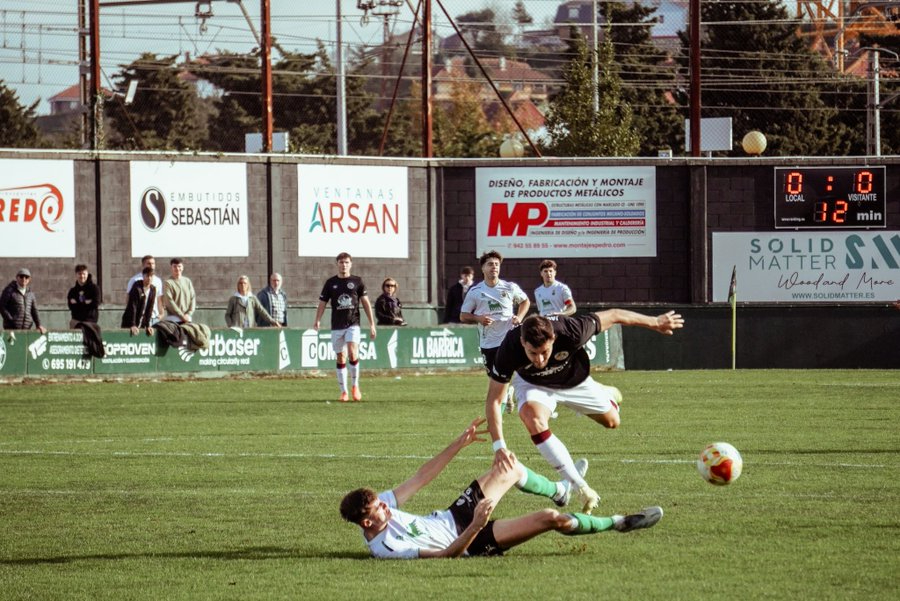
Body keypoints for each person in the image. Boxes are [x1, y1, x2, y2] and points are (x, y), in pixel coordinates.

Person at [339, 417, 663, 559]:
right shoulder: (387, 548)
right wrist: (478, 526)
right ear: (367, 522)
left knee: (508, 466)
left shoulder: (379, 506)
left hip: (453, 516)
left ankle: (560, 489)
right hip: (469, 543)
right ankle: (618, 523)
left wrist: (459, 443)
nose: (385, 505)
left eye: (382, 502)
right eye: (379, 508)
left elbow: (421, 477)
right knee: (551, 519)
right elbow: (443, 556)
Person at [484, 309, 685, 514]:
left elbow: (615, 315)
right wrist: (499, 447)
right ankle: (579, 486)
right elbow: (494, 400)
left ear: (553, 338)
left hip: (573, 380)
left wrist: (655, 322)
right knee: (531, 417)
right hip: (534, 385)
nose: (539, 359)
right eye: (532, 353)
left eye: (545, 351)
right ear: (522, 342)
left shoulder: (572, 330)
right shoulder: (509, 348)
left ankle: (605, 393)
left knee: (612, 422)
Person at [460, 251, 529, 414]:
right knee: (495, 379)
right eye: (490, 264)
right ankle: (508, 394)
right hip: (488, 342)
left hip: (510, 339)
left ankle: (500, 415)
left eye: (497, 264)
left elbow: (525, 301)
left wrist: (519, 317)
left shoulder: (510, 287)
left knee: (514, 376)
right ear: (483, 268)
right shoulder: (475, 291)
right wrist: (479, 318)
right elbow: (463, 315)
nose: (494, 267)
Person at [314, 252, 377, 402]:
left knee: (352, 352)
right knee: (341, 356)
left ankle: (355, 386)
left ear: (351, 264)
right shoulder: (330, 283)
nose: (344, 265)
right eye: (341, 262)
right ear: (337, 264)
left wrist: (372, 324)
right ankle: (344, 392)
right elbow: (322, 303)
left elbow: (366, 303)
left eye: (347, 262)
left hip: (353, 323)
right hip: (337, 325)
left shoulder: (357, 281)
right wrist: (317, 319)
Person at [0, 268, 47, 334]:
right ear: (17, 277)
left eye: (26, 277)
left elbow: (34, 310)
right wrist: (11, 320)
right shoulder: (8, 291)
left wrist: (39, 325)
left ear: (29, 279)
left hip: (26, 330)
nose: (24, 279)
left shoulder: (31, 294)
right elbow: (2, 307)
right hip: (11, 330)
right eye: (21, 276)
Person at [126, 255, 164, 324]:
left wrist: (161, 314)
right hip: (140, 319)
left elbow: (159, 299)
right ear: (143, 265)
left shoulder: (158, 281)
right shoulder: (135, 280)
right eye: (149, 263)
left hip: (155, 318)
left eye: (153, 263)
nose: (151, 265)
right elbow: (129, 300)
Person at [121, 266, 157, 336]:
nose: (149, 278)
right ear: (143, 276)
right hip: (129, 321)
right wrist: (133, 325)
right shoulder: (137, 288)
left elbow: (150, 308)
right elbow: (133, 307)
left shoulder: (153, 289)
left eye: (151, 276)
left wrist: (148, 325)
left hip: (142, 321)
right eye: (147, 276)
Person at [67, 264, 101, 328]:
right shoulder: (72, 291)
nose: (82, 276)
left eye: (84, 274)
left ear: (87, 274)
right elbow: (71, 306)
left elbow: (96, 303)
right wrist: (86, 302)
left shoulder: (94, 289)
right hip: (76, 322)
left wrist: (77, 303)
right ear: (76, 275)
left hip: (90, 322)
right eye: (79, 274)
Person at [163, 258, 195, 324]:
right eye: (174, 266)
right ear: (171, 268)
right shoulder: (168, 283)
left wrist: (189, 314)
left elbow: (193, 298)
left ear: (182, 267)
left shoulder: (187, 281)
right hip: (174, 321)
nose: (177, 268)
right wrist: (181, 315)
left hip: (187, 319)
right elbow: (169, 302)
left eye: (179, 266)